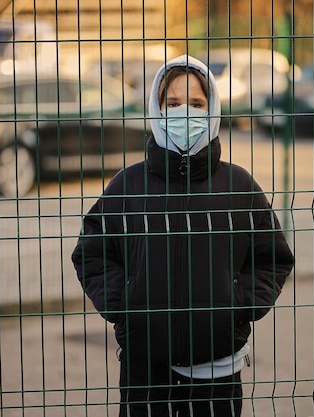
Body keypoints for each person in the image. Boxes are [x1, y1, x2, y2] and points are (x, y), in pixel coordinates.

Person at [71, 54, 294, 417]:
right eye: (172, 103)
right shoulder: (128, 185)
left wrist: (238, 306)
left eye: (195, 103)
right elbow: (91, 252)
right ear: (157, 110)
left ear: (213, 108)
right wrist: (123, 305)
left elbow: (273, 258)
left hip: (218, 370)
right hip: (145, 371)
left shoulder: (238, 187)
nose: (184, 113)